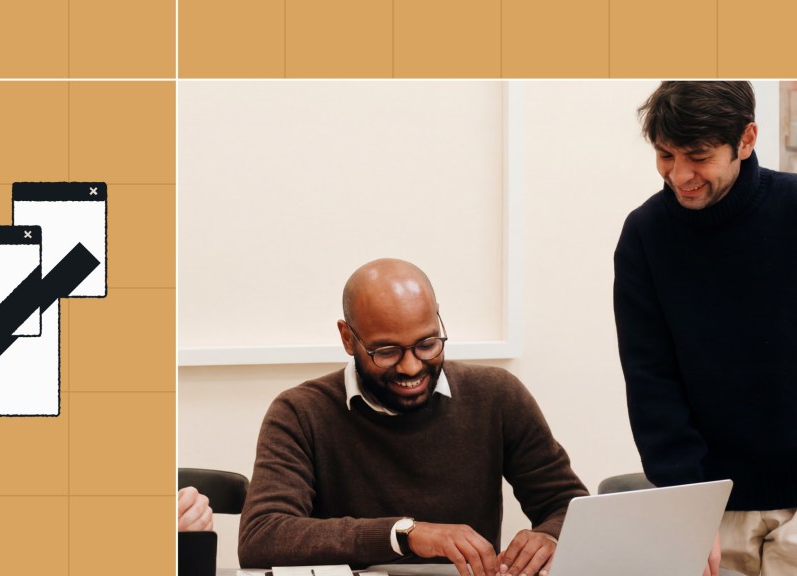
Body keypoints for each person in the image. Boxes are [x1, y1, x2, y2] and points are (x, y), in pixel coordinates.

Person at [238, 258, 587, 576]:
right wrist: (404, 534)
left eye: (427, 344)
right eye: (387, 351)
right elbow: (262, 536)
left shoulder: (496, 395)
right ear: (348, 338)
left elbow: (567, 506)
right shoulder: (300, 412)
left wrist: (550, 538)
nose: (411, 366)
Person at [614, 81, 797, 576]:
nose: (679, 175)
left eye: (697, 156)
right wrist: (687, 508)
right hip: (713, 509)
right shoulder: (645, 236)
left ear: (747, 139)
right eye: (664, 155)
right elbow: (651, 382)